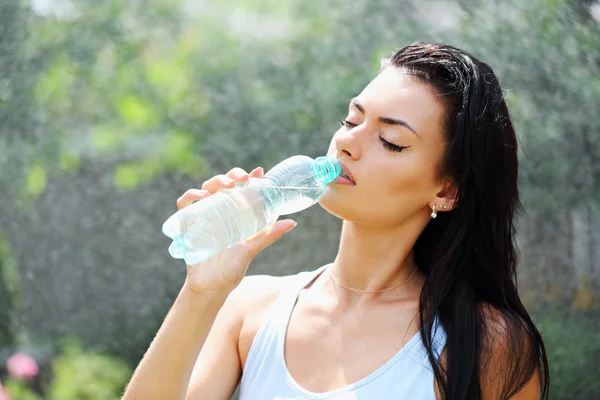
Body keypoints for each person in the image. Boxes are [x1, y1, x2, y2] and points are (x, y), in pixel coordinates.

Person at [122, 42, 549, 400]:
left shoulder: (484, 345)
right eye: (351, 119)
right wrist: (201, 291)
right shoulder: (251, 308)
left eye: (390, 141)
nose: (346, 141)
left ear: (446, 190)